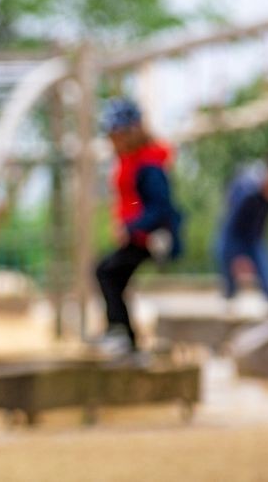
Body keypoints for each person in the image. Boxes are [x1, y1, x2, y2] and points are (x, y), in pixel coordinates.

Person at [94, 98, 182, 357]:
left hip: (149, 238)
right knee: (111, 276)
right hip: (137, 235)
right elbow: (132, 199)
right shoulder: (131, 161)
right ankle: (124, 335)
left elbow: (161, 206)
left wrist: (132, 226)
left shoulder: (150, 165)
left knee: (106, 273)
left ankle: (121, 334)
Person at [216, 153, 268, 316]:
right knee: (226, 257)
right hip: (234, 234)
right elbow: (235, 222)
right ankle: (229, 300)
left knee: (265, 262)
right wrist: (239, 257)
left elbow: (261, 228)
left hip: (254, 237)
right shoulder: (248, 192)